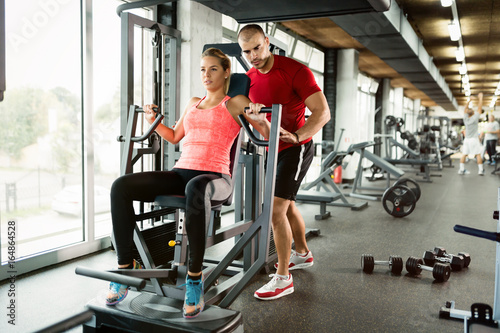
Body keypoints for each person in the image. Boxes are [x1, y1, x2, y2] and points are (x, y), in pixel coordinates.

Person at [105, 48, 265, 318]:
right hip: (181, 173)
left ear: (226, 72)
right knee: (121, 186)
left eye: (213, 69)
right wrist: (152, 122)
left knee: (195, 188)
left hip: (216, 178)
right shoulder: (193, 102)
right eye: (202, 69)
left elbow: (266, 134)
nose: (206, 75)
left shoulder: (235, 101)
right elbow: (175, 136)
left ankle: (194, 278)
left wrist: (260, 119)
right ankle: (124, 267)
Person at [238, 24, 331, 300]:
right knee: (287, 207)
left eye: (257, 47)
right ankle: (302, 254)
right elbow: (266, 130)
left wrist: (297, 135)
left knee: (275, 210)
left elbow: (322, 113)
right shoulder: (249, 80)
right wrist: (259, 122)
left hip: (297, 147)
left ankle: (282, 278)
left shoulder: (295, 71)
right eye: (246, 51)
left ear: (267, 42)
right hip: (273, 148)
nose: (253, 55)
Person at [458, 92, 484, 175]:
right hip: (473, 139)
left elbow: (465, 109)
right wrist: (480, 98)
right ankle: (480, 171)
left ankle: (461, 170)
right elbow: (479, 108)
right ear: (472, 113)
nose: (471, 109)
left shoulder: (465, 118)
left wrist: (469, 100)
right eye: (471, 109)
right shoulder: (474, 117)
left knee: (464, 154)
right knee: (478, 154)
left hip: (467, 140)